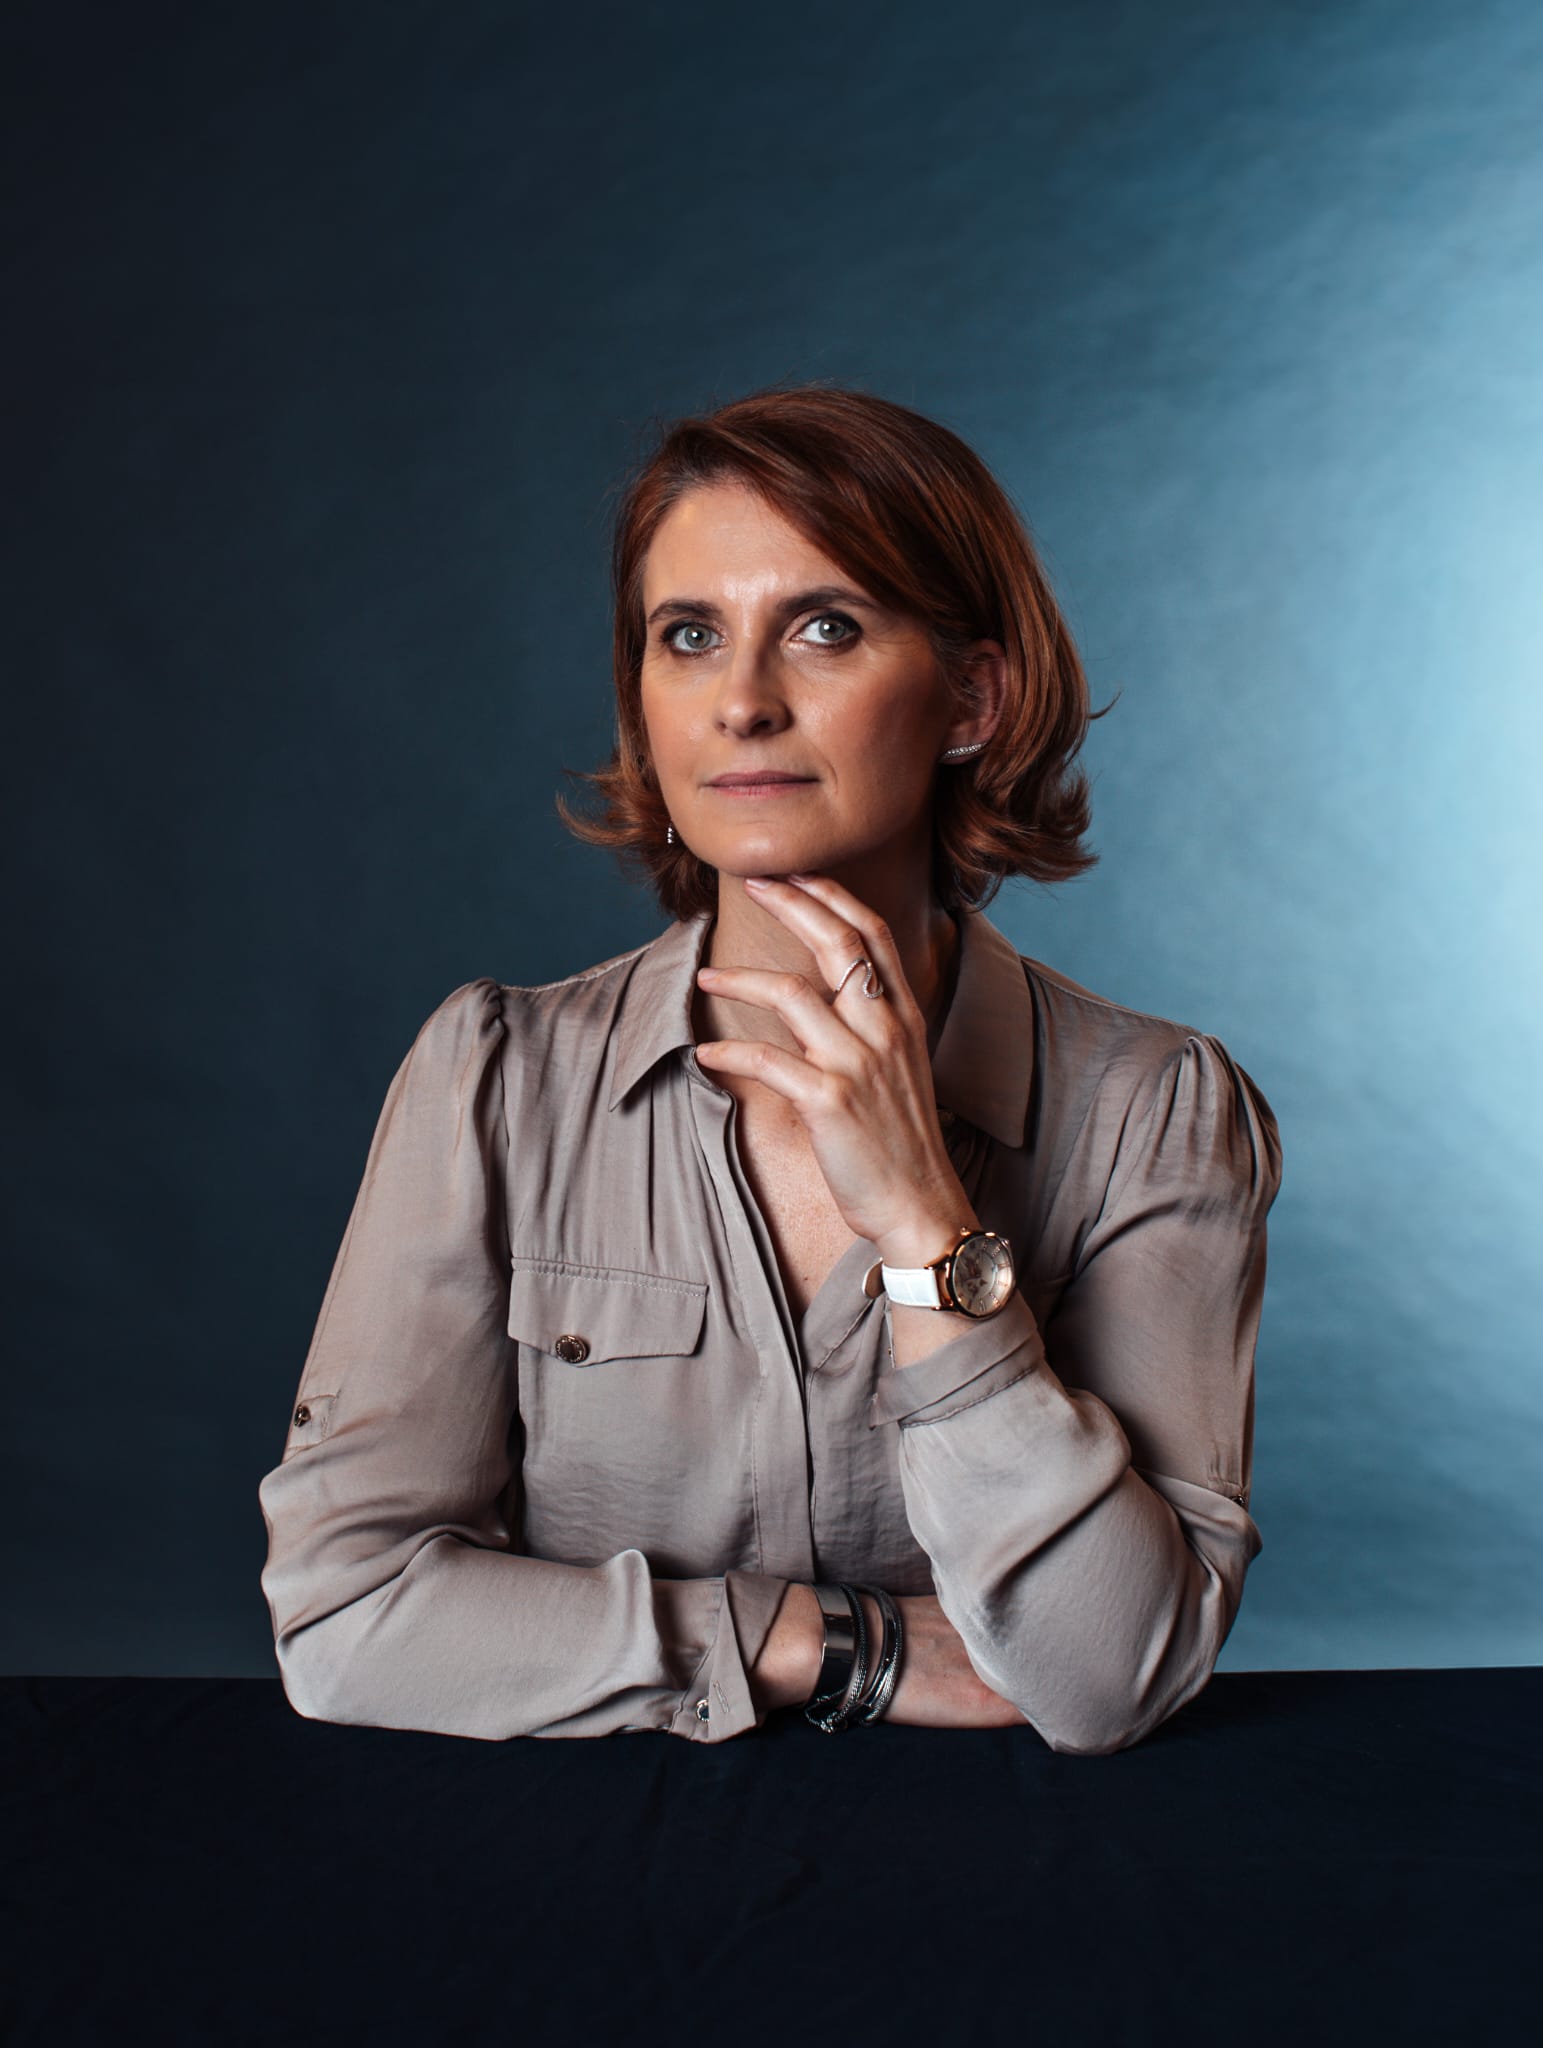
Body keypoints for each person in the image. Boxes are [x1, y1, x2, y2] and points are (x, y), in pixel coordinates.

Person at [257, 383, 1283, 1754]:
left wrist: (926, 1226)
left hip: (1002, 1869)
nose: (741, 703)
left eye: (825, 628)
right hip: (595, 1859)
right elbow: (346, 1618)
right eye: (689, 637)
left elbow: (1109, 1678)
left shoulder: (1156, 1113)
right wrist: (821, 1642)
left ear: (974, 696)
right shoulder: (494, 1081)